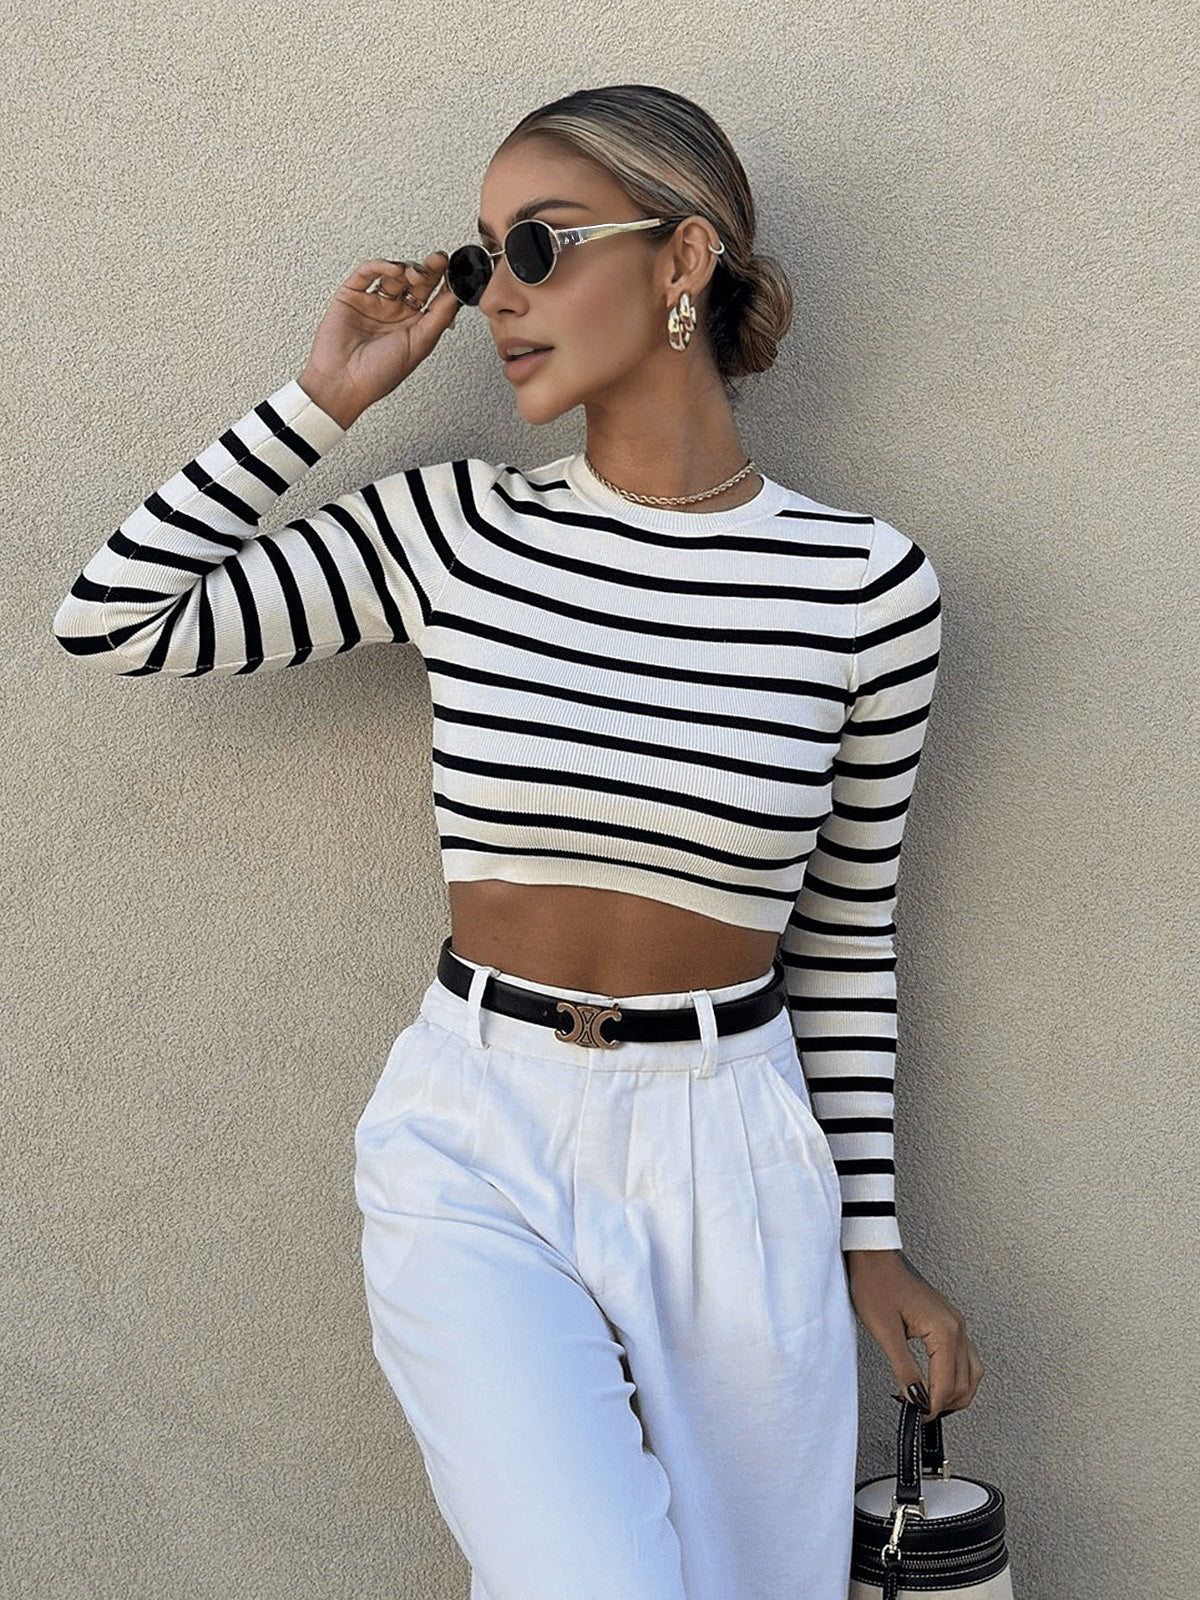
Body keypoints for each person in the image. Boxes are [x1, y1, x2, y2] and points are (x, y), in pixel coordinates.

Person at [53, 83, 983, 1600]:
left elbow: (845, 931)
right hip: (475, 1132)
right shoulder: (458, 531)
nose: (498, 299)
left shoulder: (866, 588)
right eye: (487, 260)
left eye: (539, 248)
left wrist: (869, 1243)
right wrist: (325, 399)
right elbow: (116, 617)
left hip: (735, 1149)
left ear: (684, 258)